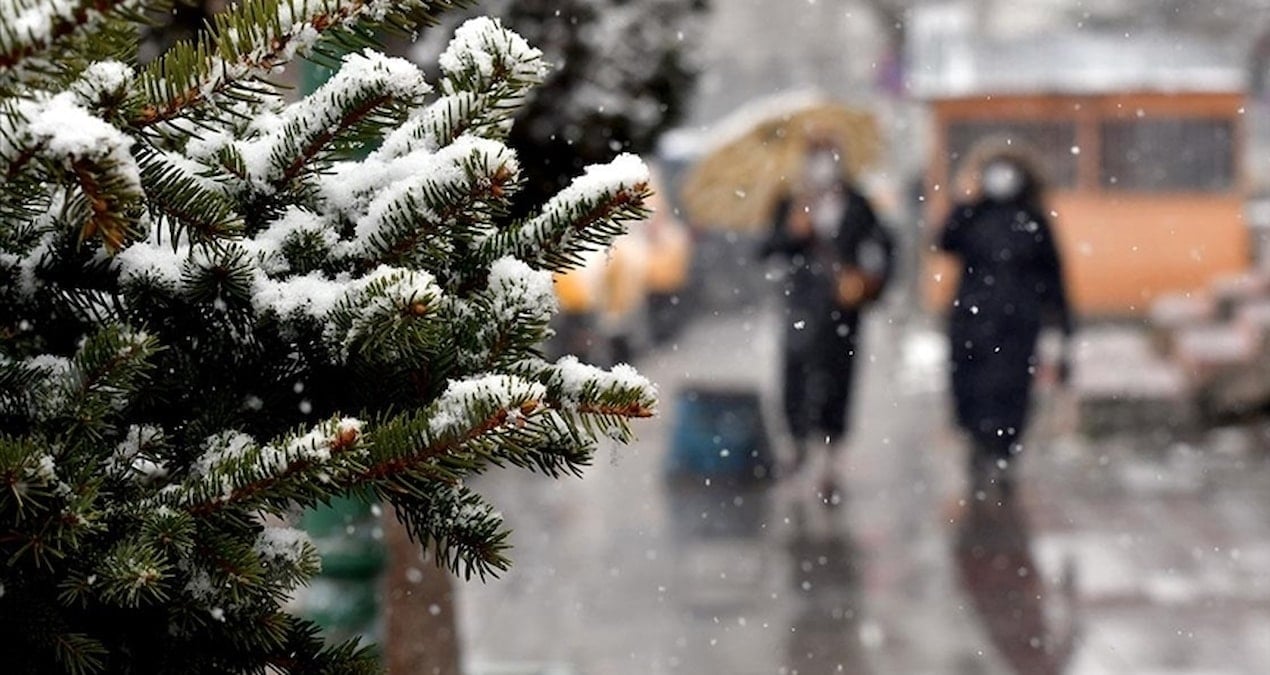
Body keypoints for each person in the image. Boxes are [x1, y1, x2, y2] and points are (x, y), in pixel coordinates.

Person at [762, 138, 893, 504]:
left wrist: (866, 281)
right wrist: (793, 234)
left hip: (843, 311)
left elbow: (882, 247)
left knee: (838, 380)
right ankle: (798, 444)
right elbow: (769, 250)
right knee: (797, 377)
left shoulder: (858, 203)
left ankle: (831, 459)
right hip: (801, 307)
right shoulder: (791, 202)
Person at [937, 145, 1073, 491]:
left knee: (1012, 389)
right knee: (970, 386)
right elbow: (945, 240)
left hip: (1018, 323)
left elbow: (1053, 274)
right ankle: (978, 444)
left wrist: (1061, 324)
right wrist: (964, 201)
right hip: (971, 319)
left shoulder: (1033, 218)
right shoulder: (973, 214)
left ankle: (1004, 452)